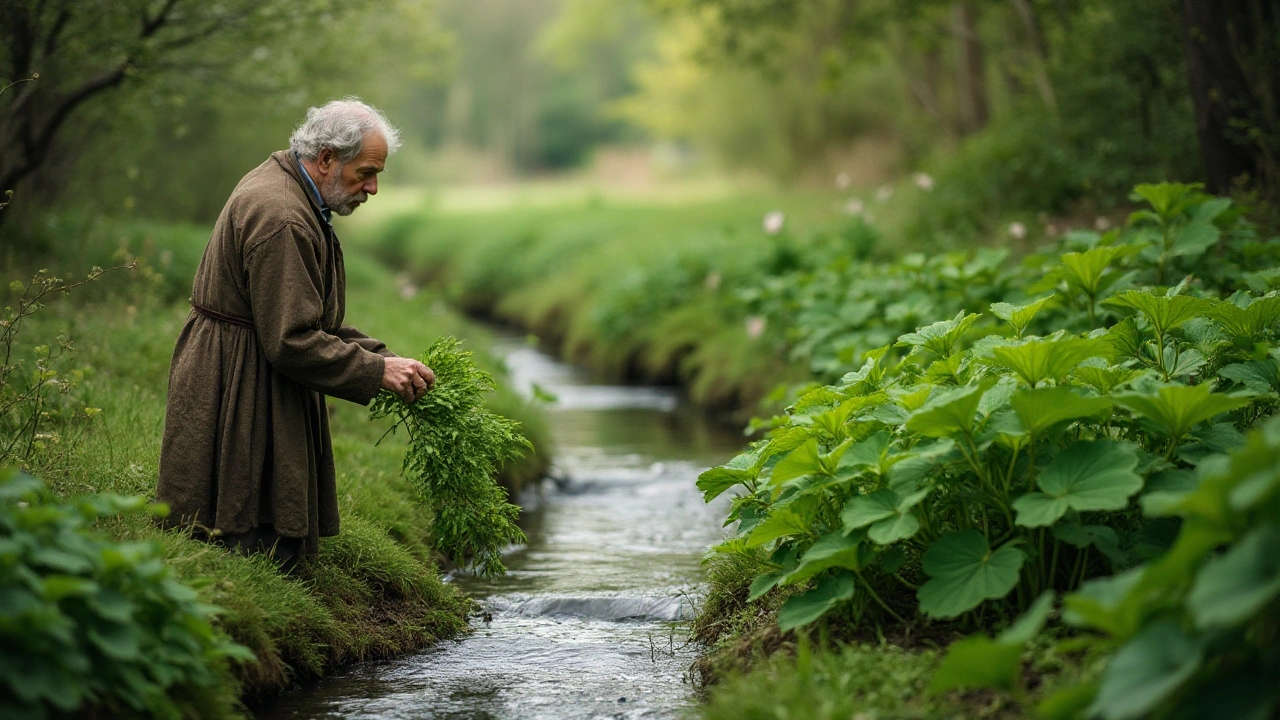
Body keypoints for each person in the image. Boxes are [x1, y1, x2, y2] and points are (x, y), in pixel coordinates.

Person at [156, 98, 435, 572]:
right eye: (366, 172)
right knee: (251, 536)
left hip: (248, 362)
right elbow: (292, 339)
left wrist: (385, 359)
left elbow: (309, 317)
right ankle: (235, 598)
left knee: (249, 520)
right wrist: (375, 370)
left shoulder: (293, 188)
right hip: (237, 376)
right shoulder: (283, 216)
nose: (372, 187)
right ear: (326, 158)